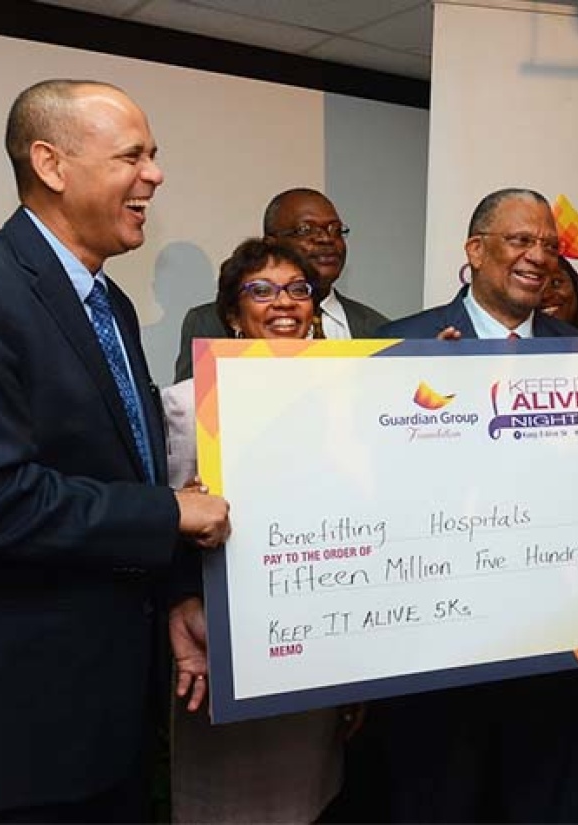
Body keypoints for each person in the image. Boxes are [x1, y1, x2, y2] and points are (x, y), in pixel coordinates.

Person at [0, 79, 230, 822]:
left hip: (110, 712)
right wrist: (168, 513)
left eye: (155, 155)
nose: (155, 174)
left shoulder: (107, 301)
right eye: (132, 155)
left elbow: (122, 463)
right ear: (51, 164)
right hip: (18, 728)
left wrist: (176, 589)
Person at [373, 188, 578, 822]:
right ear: (476, 251)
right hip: (437, 650)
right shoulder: (398, 347)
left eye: (548, 245)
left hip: (555, 646)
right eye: (520, 240)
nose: (538, 256)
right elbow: (366, 486)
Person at [163, 238, 348, 823]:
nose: (284, 303)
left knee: (310, 797)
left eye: (298, 290)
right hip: (223, 648)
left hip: (317, 641)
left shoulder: (349, 402)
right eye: (261, 291)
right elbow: (162, 534)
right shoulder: (184, 407)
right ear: (232, 316)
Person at [173, 188, 388, 381]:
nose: (325, 239)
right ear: (271, 243)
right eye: (306, 230)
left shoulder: (380, 329)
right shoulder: (208, 323)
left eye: (335, 229)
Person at [540, 255, 578, 334]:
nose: (546, 295)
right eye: (535, 286)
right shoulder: (518, 344)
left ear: (576, 284)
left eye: (556, 282)